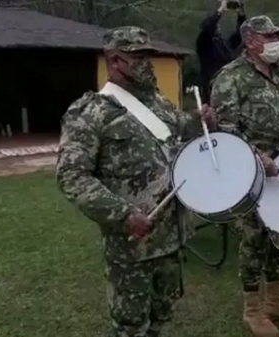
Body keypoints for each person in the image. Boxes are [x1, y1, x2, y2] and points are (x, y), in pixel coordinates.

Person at [56, 26, 215, 337]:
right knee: (130, 327)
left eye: (148, 57)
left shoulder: (157, 102)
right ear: (115, 61)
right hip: (133, 245)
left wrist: (200, 122)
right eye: (139, 57)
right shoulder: (89, 112)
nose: (148, 64)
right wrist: (123, 215)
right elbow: (71, 176)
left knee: (162, 315)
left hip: (172, 235)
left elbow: (181, 130)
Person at [210, 15, 279, 336]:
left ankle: (275, 301)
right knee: (254, 241)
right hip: (249, 171)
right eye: (269, 36)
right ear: (251, 40)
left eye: (276, 35)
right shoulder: (231, 78)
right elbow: (226, 131)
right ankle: (252, 310)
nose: (275, 41)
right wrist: (257, 156)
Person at [196, 0, 246, 104]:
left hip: (229, 86)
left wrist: (241, 14)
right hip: (212, 89)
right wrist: (220, 10)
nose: (217, 26)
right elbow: (207, 29)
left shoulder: (224, 44)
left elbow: (240, 35)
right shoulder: (204, 44)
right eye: (215, 25)